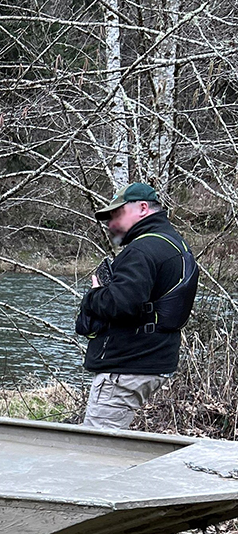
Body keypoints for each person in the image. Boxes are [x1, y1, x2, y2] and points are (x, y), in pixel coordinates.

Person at [76, 182, 198, 431]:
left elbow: (122, 305)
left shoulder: (141, 250)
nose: (111, 224)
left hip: (126, 367)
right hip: (155, 361)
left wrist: (93, 295)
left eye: (117, 214)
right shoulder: (176, 245)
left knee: (93, 448)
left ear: (143, 208)